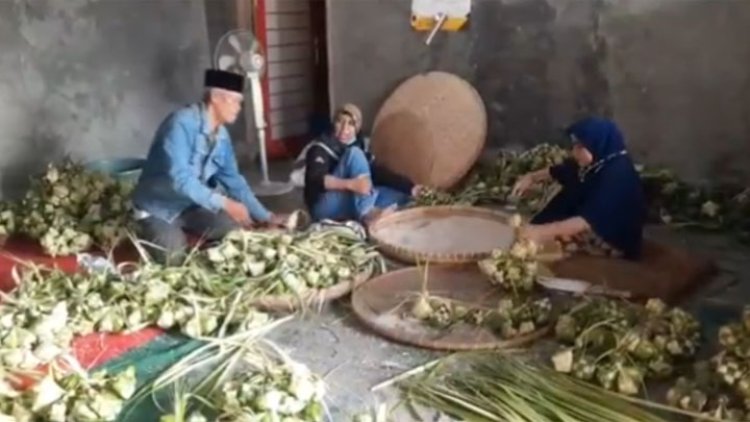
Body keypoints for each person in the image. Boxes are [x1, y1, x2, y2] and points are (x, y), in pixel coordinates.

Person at [132, 69, 286, 264]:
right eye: (235, 101)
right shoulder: (180, 124)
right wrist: (225, 203)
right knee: (174, 259)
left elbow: (234, 182)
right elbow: (180, 180)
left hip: (191, 206)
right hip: (159, 208)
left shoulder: (221, 136)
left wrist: (266, 216)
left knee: (236, 234)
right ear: (215, 97)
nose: (239, 108)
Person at [511, 117, 646, 259]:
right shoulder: (598, 160)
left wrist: (541, 232)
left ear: (597, 144)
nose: (574, 152)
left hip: (608, 237)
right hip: (585, 223)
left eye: (580, 146)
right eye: (574, 145)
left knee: (546, 249)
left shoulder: (617, 176)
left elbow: (586, 221)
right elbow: (561, 171)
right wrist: (531, 177)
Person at [300, 103, 424, 224]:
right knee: (354, 154)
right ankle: (368, 214)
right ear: (334, 123)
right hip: (322, 205)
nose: (344, 129)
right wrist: (351, 184)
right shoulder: (320, 148)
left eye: (351, 124)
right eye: (340, 122)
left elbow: (378, 173)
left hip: (349, 198)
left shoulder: (356, 145)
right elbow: (315, 179)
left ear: (357, 129)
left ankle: (372, 210)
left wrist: (410, 187)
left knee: (403, 197)